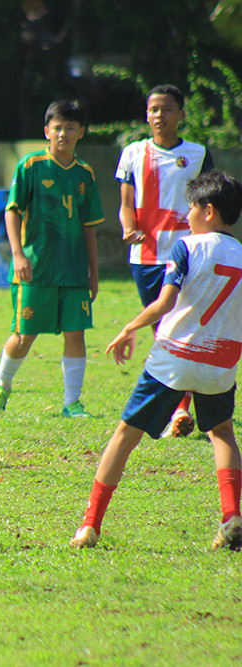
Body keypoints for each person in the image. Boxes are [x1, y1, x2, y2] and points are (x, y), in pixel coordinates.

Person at [71, 170, 242, 551]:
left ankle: (89, 525)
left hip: (175, 356)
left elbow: (164, 302)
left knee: (124, 436)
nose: (188, 215)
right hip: (222, 362)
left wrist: (129, 327)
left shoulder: (187, 247)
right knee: (222, 433)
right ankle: (232, 516)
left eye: (192, 208)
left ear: (208, 211)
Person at [0, 100, 104, 418]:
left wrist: (93, 271)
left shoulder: (85, 174)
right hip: (35, 268)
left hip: (74, 269)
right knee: (24, 335)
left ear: (81, 132)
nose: (62, 133)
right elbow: (12, 212)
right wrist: (18, 254)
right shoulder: (30, 166)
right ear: (46, 131)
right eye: (57, 127)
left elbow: (89, 227)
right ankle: (1, 386)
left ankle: (72, 403)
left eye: (69, 128)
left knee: (76, 333)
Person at [115, 84, 215, 438]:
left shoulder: (198, 154)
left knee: (182, 329)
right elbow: (127, 204)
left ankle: (178, 410)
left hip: (188, 254)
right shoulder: (131, 153)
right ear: (146, 114)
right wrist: (129, 228)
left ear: (181, 115)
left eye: (168, 109)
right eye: (154, 109)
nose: (160, 115)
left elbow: (207, 203)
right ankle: (177, 406)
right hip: (146, 257)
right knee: (164, 330)